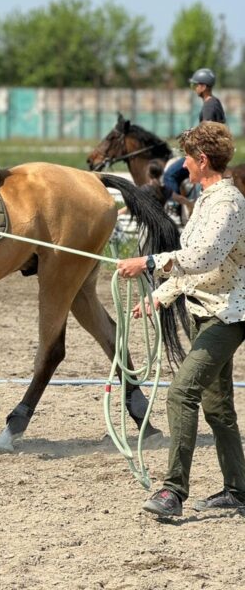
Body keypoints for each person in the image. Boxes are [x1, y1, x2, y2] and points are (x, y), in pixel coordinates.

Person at [117, 122, 245, 517]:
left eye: (188, 158)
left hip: (228, 315)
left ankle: (173, 491)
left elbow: (204, 257)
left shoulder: (227, 204)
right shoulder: (207, 199)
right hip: (204, 309)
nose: (184, 165)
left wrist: (151, 262)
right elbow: (197, 269)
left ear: (202, 160)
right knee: (217, 406)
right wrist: (159, 296)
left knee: (181, 393)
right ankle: (238, 491)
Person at [162, 68, 226, 196]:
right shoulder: (215, 102)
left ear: (203, 86)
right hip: (214, 153)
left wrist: (191, 138)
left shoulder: (209, 106)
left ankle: (173, 210)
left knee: (170, 174)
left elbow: (206, 132)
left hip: (205, 155)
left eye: (196, 85)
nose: (195, 88)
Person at [118, 160, 192, 217]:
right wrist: (191, 204)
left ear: (148, 174)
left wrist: (118, 213)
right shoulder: (165, 189)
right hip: (163, 223)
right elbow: (180, 199)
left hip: (150, 225)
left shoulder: (144, 189)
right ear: (160, 174)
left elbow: (131, 207)